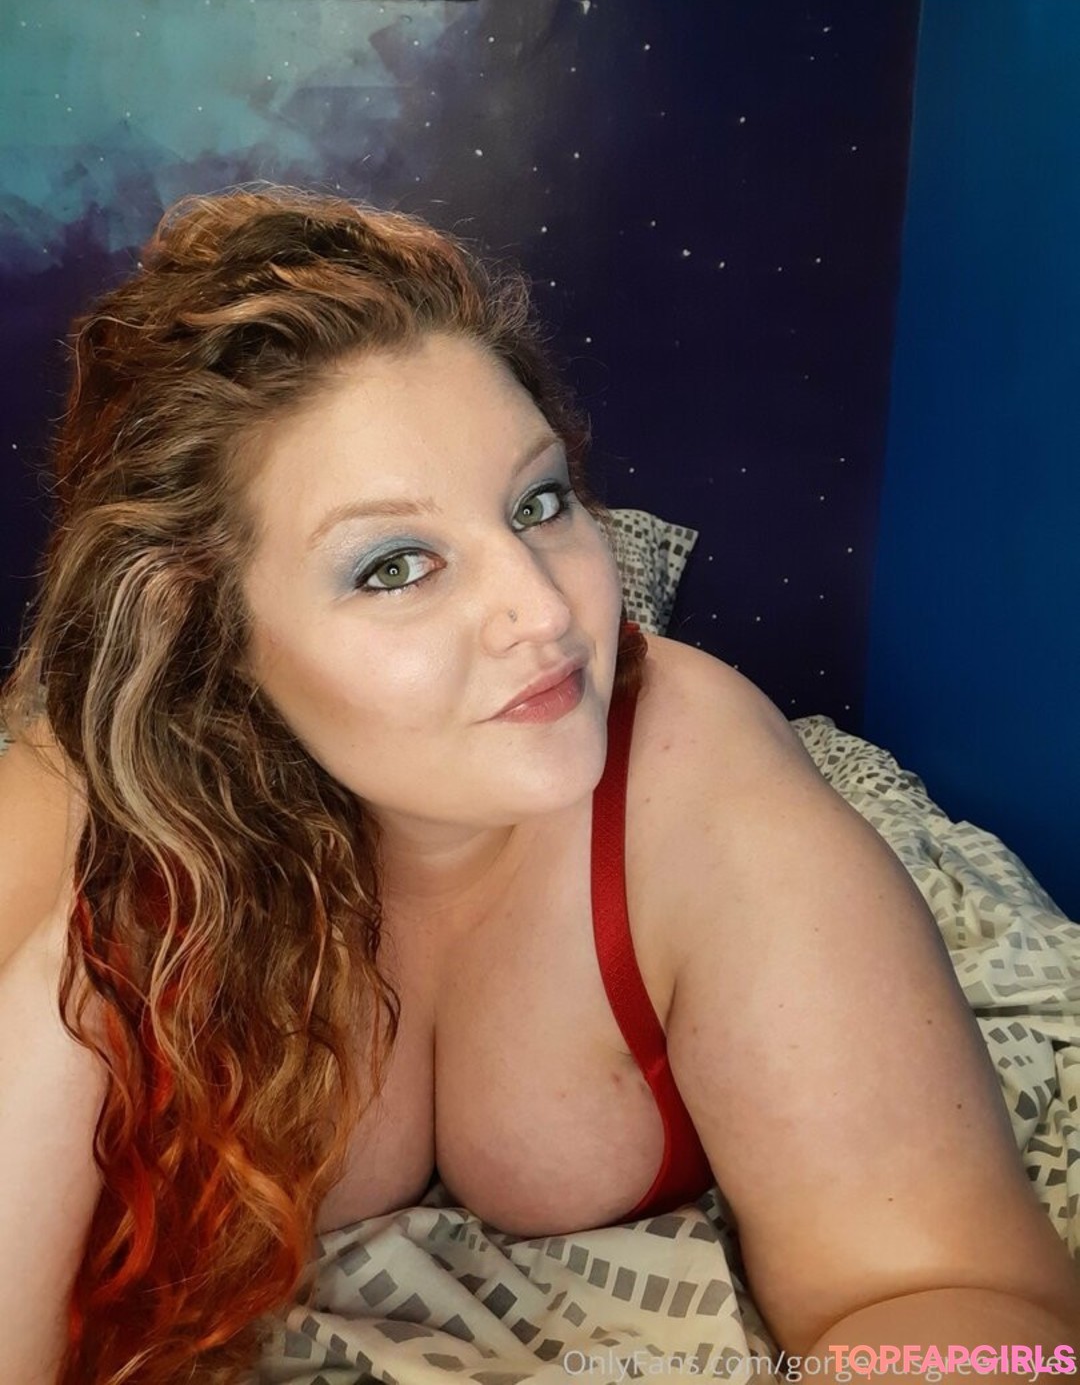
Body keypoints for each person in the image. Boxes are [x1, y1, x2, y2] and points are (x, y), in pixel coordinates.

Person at [0, 187, 1076, 1385]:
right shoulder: (87, 804)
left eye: (540, 502)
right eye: (394, 565)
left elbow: (972, 1308)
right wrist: (69, 970)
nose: (546, 609)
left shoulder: (692, 775)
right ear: (200, 625)